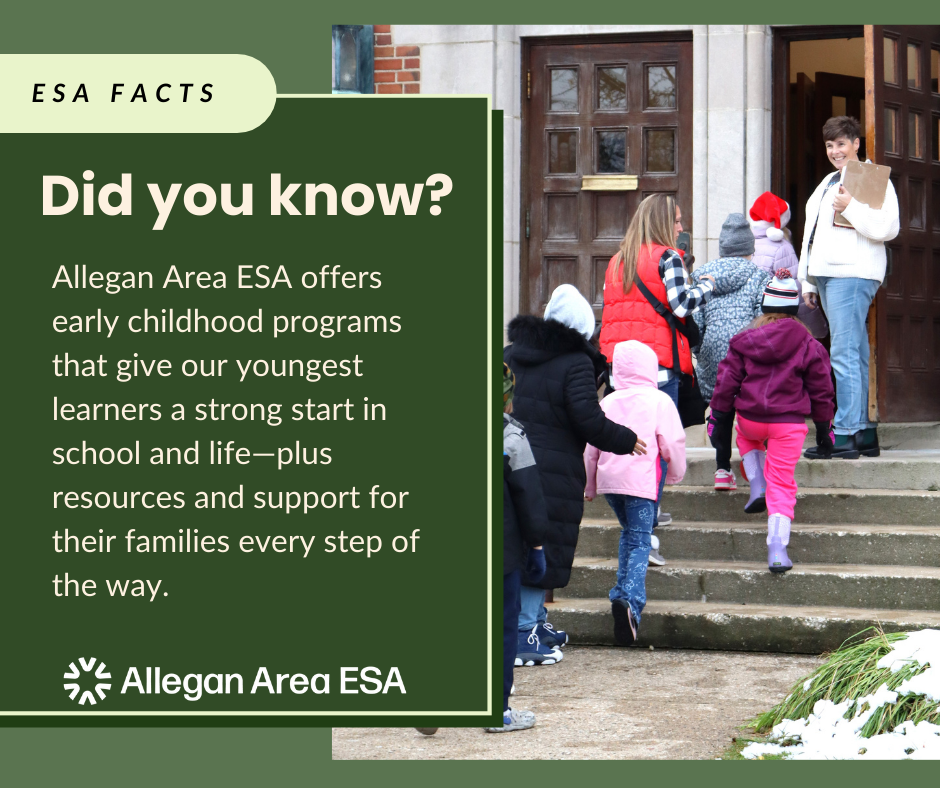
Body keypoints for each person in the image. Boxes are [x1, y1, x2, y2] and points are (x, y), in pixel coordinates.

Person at [504, 284, 646, 665]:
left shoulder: (510, 355)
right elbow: (587, 419)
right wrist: (626, 439)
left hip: (507, 464)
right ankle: (523, 631)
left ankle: (534, 620)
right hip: (552, 473)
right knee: (543, 544)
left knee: (516, 542)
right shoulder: (575, 363)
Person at [599, 193, 715, 560]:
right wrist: (707, 285)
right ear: (663, 223)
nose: (681, 228)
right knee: (657, 450)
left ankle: (642, 519)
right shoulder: (669, 257)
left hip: (620, 368)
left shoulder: (618, 261)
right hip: (658, 368)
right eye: (677, 221)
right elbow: (682, 304)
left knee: (629, 445)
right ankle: (644, 530)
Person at [708, 273, 835, 572]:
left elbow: (725, 385)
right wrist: (824, 430)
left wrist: (716, 415)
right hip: (788, 426)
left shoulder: (743, 340)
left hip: (750, 419)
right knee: (783, 486)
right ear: (795, 309)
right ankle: (777, 550)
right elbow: (822, 391)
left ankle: (756, 482)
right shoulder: (810, 344)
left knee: (746, 438)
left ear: (765, 306)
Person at [797, 115, 899, 460]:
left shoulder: (869, 177)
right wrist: (807, 279)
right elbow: (811, 233)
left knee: (843, 353)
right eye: (829, 145)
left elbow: (888, 227)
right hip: (827, 274)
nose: (835, 151)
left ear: (857, 144)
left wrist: (851, 207)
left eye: (841, 143)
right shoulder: (827, 181)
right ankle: (863, 434)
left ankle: (845, 433)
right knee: (852, 351)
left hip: (852, 274)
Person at [583, 341, 687, 645]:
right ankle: (631, 601)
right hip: (642, 484)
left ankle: (620, 592)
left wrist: (589, 485)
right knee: (641, 539)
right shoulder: (659, 400)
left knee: (629, 533)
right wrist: (677, 472)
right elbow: (674, 443)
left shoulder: (608, 402)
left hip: (610, 482)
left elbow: (591, 449)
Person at [484, 363, 550, 733]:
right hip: (498, 550)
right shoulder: (509, 435)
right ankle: (497, 710)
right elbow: (529, 497)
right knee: (502, 627)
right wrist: (537, 546)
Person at [689, 213, 771, 493]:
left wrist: (701, 354)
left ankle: (722, 469)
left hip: (713, 355)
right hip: (747, 355)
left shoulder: (700, 275)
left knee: (720, 410)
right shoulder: (760, 276)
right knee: (753, 408)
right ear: (750, 249)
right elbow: (763, 318)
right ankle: (757, 467)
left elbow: (695, 323)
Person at [749, 191, 828, 340]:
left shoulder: (745, 245)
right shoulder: (781, 247)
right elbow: (795, 291)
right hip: (772, 327)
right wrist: (818, 329)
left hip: (748, 327)